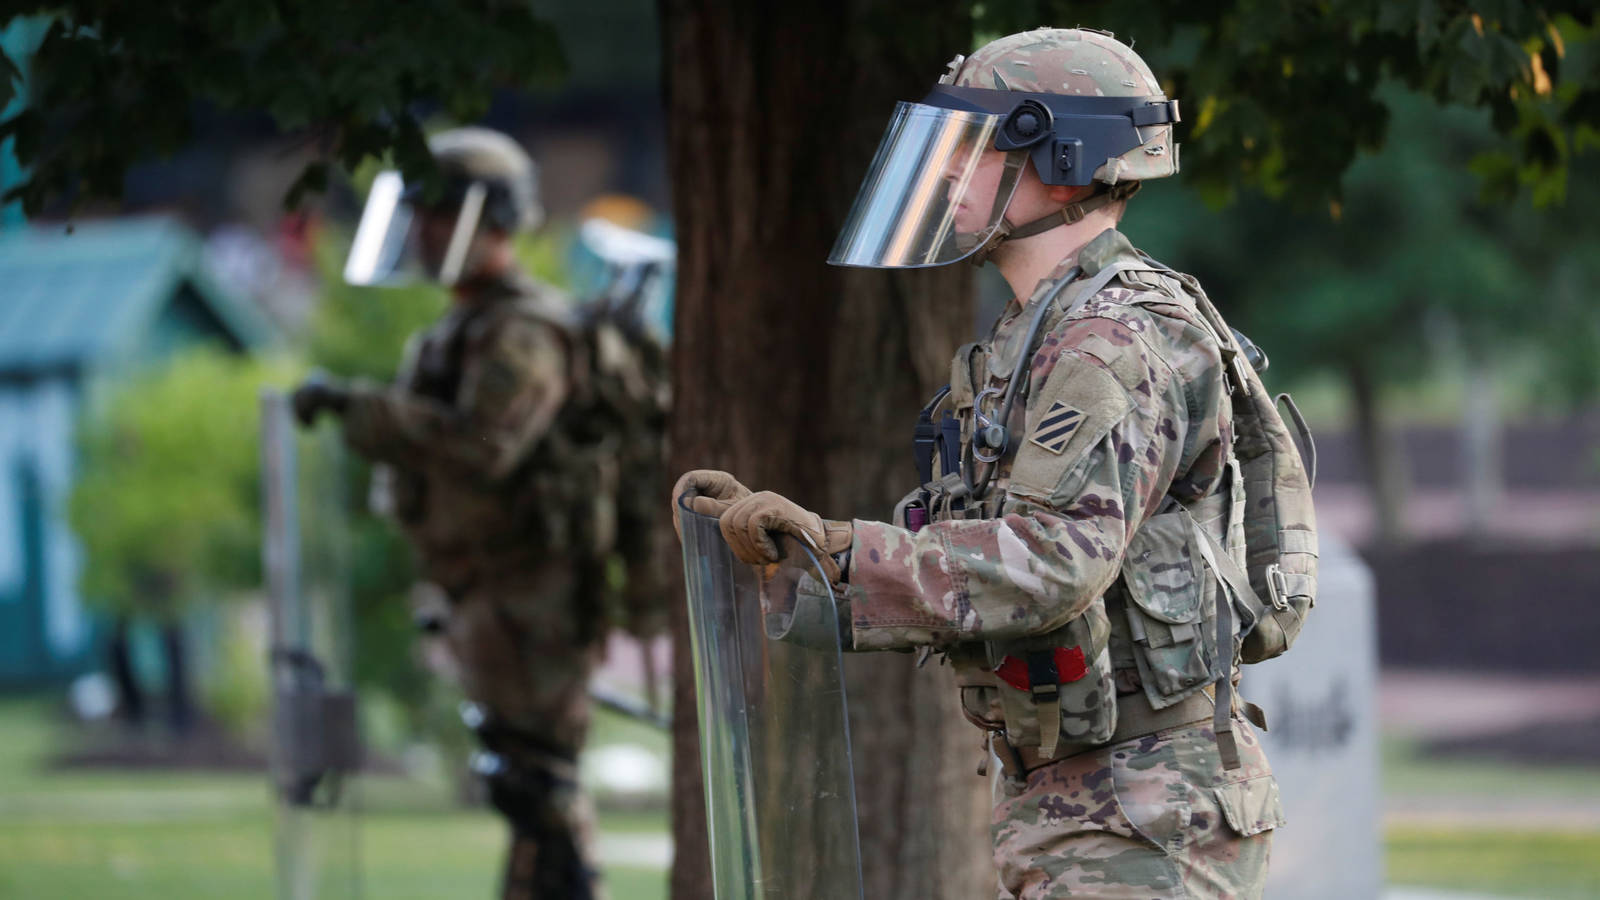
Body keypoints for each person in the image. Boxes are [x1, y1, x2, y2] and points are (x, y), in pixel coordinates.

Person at [677, 28, 1294, 899]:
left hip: (1145, 810)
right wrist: (805, 559)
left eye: (969, 147)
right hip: (1091, 796)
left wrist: (849, 553)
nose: (943, 175)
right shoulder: (1037, 333)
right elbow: (977, 540)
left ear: (1066, 162)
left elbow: (1056, 559)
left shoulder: (1107, 342)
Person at [292, 127, 608, 900]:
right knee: (523, 783)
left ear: (490, 219)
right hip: (489, 594)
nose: (424, 233)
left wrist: (360, 409)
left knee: (540, 786)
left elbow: (485, 446)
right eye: (422, 216)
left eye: (440, 216)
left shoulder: (523, 328)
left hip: (531, 599)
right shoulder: (467, 324)